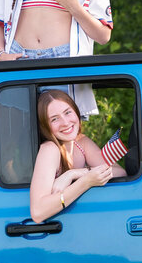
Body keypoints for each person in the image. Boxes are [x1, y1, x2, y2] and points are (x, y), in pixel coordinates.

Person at [29, 89, 126, 223]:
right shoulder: (50, 149)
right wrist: (86, 181)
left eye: (67, 112)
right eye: (54, 119)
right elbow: (38, 212)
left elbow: (119, 172)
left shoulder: (81, 142)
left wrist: (74, 174)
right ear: (45, 126)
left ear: (76, 112)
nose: (65, 122)